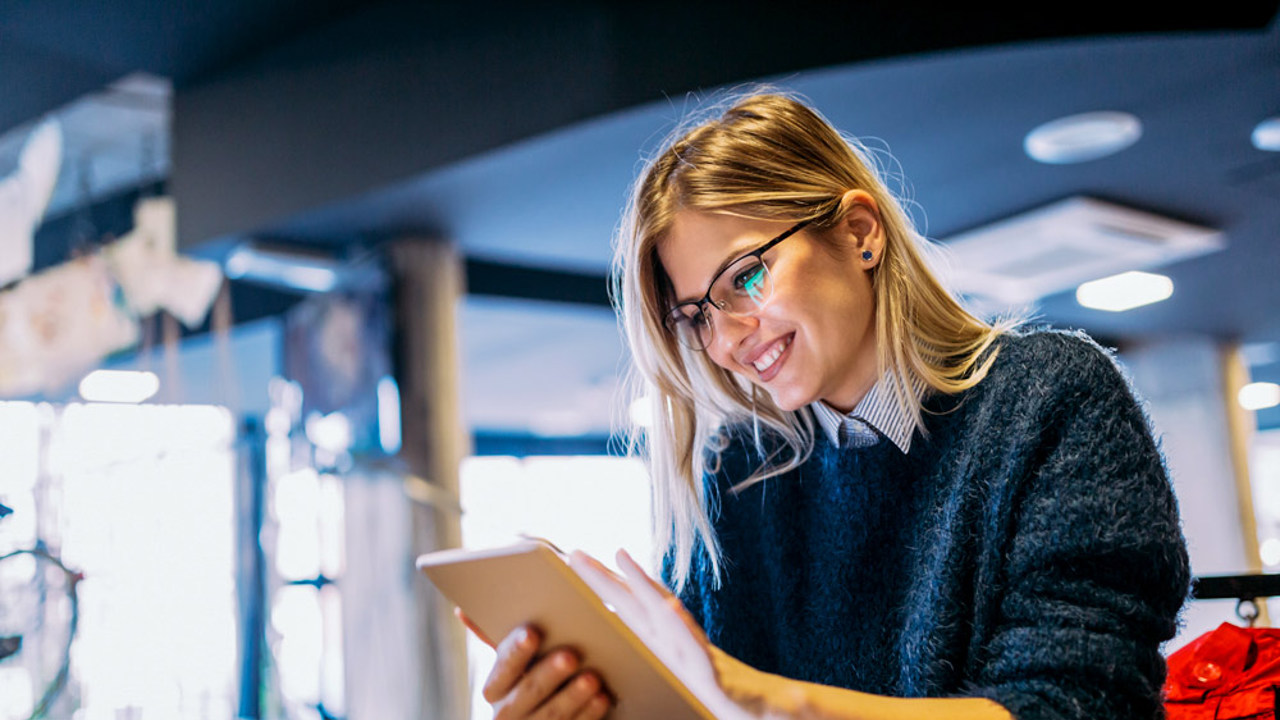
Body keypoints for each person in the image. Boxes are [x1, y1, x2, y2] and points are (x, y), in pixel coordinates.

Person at [472, 92, 1191, 720]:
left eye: (745, 277)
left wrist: (763, 700)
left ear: (859, 233)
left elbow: (1084, 704)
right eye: (694, 314)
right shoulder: (735, 473)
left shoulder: (1051, 400)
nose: (724, 339)